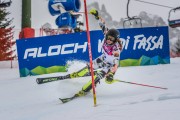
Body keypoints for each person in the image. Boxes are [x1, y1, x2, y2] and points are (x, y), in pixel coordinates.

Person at [73, 8, 123, 97]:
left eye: (111, 39)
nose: (108, 40)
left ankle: (85, 90)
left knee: (97, 77)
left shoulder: (116, 49)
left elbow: (116, 64)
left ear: (115, 40)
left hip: (109, 66)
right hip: (103, 58)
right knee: (89, 66)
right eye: (108, 37)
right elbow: (102, 23)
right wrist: (96, 16)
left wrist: (111, 74)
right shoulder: (107, 34)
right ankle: (77, 74)